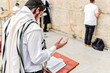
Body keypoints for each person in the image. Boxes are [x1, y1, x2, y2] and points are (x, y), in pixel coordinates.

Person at [2, 0, 68, 73]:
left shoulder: (9, 22)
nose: (38, 18)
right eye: (40, 14)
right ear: (37, 10)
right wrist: (55, 47)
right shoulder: (32, 27)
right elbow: (37, 58)